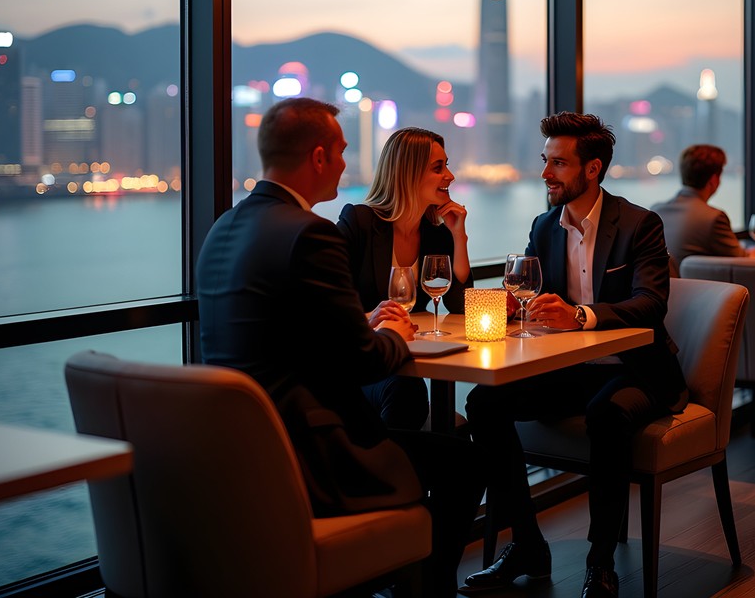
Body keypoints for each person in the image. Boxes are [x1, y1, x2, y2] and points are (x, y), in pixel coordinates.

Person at [196, 97, 484, 596]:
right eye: (343, 151)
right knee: (464, 461)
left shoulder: (224, 227)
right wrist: (394, 333)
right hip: (312, 452)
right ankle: (417, 587)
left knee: (440, 436)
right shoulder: (311, 234)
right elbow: (365, 359)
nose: (349, 163)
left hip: (244, 447)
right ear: (318, 158)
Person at [461, 112, 688, 598]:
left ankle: (600, 560)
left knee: (606, 415)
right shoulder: (544, 226)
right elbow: (528, 292)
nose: (545, 173)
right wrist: (510, 307)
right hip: (571, 369)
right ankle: (526, 545)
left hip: (635, 368)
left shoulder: (639, 224)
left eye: (558, 163)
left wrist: (581, 316)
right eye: (545, 161)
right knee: (483, 403)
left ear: (592, 169)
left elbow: (651, 305)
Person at [337, 126, 473, 429]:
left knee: (438, 416)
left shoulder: (435, 235)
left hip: (401, 359)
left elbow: (459, 303)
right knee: (407, 390)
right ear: (407, 173)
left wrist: (459, 237)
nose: (449, 176)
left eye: (447, 165)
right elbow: (329, 308)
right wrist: (372, 316)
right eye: (438, 168)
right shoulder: (359, 222)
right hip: (357, 368)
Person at [652, 144, 755, 273]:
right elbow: (743, 261)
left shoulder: (655, 211)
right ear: (714, 180)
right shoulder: (713, 218)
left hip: (665, 290)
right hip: (700, 291)